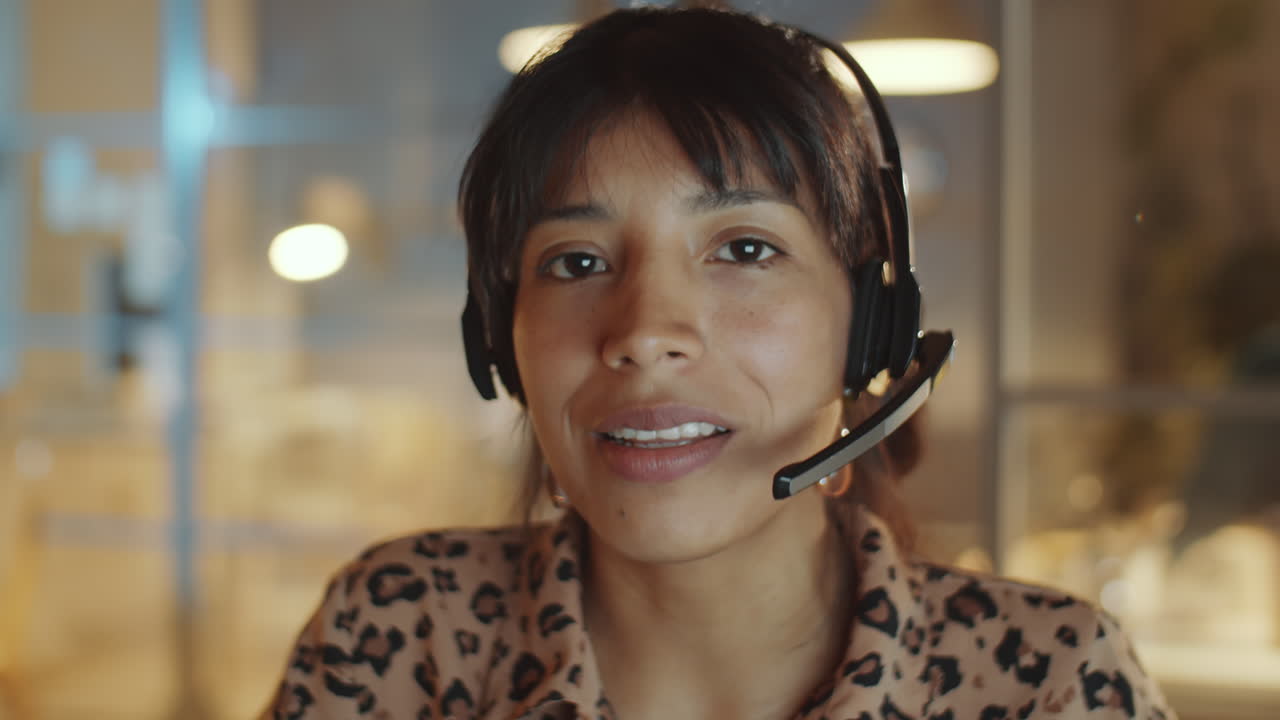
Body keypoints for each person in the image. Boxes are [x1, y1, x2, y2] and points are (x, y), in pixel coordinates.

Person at [262, 7, 1175, 719]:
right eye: (576, 262)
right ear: (501, 341)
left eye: (743, 248)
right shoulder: (397, 635)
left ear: (872, 329)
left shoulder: (1048, 685)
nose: (645, 331)